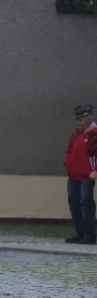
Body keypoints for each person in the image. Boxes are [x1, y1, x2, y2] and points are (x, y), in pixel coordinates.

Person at [63, 103, 97, 244]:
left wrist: (95, 170)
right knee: (73, 203)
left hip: (86, 176)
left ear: (89, 117)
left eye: (81, 118)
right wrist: (66, 162)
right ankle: (80, 233)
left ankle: (90, 235)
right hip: (73, 176)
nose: (78, 121)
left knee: (87, 203)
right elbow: (69, 150)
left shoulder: (94, 134)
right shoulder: (76, 134)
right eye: (77, 119)